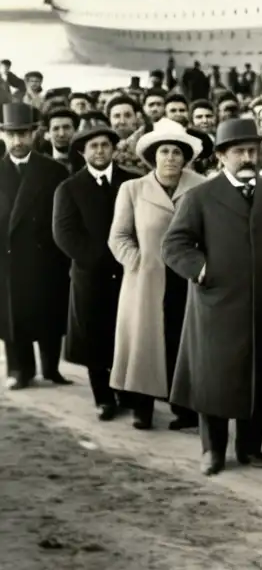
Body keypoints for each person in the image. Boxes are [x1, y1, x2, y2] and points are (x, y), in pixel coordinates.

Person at [162, 118, 262, 475]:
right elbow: (174, 245)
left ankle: (251, 447)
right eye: (239, 151)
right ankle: (213, 450)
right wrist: (202, 270)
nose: (248, 157)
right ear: (222, 156)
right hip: (216, 305)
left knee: (255, 378)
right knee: (215, 380)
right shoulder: (200, 197)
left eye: (253, 150)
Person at [108, 119, 207, 429]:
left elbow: (214, 232)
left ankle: (185, 408)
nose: (170, 158)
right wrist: (137, 262)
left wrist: (203, 264)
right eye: (164, 151)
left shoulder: (202, 187)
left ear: (185, 157)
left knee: (183, 340)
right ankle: (143, 407)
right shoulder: (133, 189)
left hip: (189, 278)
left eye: (177, 152)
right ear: (153, 156)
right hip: (147, 279)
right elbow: (119, 236)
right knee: (144, 342)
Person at [52, 120, 138, 420]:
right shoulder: (69, 188)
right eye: (93, 146)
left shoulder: (132, 182)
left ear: (114, 149)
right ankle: (103, 397)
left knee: (125, 333)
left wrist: (128, 260)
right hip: (91, 275)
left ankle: (127, 392)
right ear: (83, 152)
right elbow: (64, 234)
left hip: (129, 273)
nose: (100, 151)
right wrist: (100, 259)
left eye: (105, 145)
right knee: (95, 336)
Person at [0, 102, 71, 390]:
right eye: (12, 134)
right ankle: (19, 370)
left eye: (24, 134)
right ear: (3, 135)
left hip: (46, 256)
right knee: (12, 315)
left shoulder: (53, 171)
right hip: (7, 258)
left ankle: (51, 368)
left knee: (49, 310)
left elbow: (64, 215)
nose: (18, 141)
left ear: (35, 134)